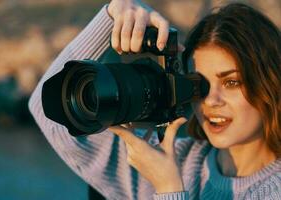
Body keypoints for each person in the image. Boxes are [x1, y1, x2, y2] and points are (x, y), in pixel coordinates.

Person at [29, 0, 281, 199]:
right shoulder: (176, 160)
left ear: (269, 82)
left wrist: (169, 188)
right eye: (198, 84)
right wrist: (112, 16)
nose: (210, 100)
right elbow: (48, 112)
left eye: (231, 82)